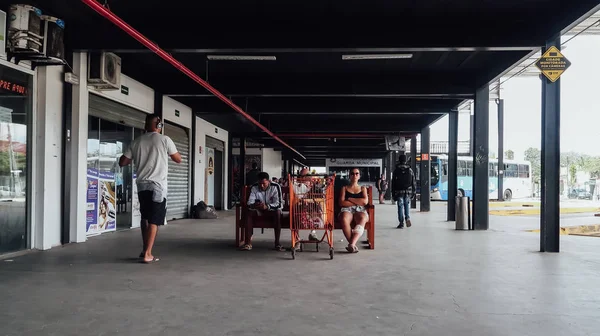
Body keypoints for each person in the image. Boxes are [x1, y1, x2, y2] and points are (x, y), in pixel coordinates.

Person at [119, 114, 181, 263]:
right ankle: (148, 253)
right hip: (158, 185)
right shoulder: (165, 140)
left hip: (142, 185)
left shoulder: (137, 141)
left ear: (145, 125)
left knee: (145, 217)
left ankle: (144, 249)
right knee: (155, 219)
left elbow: (123, 162)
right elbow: (178, 159)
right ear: (159, 126)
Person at [241, 172, 284, 251]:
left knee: (277, 213)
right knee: (249, 213)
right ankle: (248, 243)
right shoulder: (254, 187)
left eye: (264, 183)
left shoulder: (275, 187)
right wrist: (255, 205)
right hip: (258, 210)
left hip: (271, 210)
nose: (261, 186)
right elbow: (249, 202)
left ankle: (277, 243)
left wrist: (267, 206)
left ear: (269, 181)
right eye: (260, 183)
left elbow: (279, 204)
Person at [338, 168, 369, 253]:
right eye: (352, 173)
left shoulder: (363, 188)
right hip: (346, 209)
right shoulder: (344, 188)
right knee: (344, 218)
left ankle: (351, 244)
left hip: (360, 210)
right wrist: (357, 202)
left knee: (363, 218)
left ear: (359, 176)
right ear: (349, 176)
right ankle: (352, 244)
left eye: (357, 173)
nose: (354, 175)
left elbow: (365, 201)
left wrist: (350, 199)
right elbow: (341, 202)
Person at [391, 154, 416, 229]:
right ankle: (407, 218)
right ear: (405, 161)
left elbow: (393, 183)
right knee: (406, 205)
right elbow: (413, 182)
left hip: (399, 192)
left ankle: (401, 223)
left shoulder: (396, 170)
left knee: (400, 206)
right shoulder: (410, 170)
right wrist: (413, 192)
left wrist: (393, 193)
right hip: (407, 191)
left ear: (399, 160)